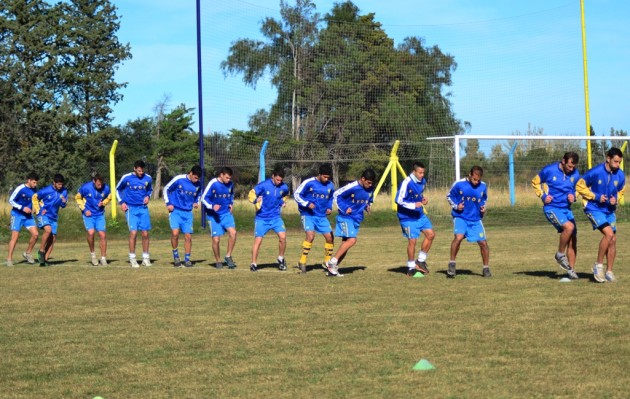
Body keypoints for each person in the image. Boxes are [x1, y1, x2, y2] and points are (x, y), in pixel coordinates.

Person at [576, 147, 625, 283]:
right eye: (615, 162)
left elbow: (621, 190)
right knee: (608, 234)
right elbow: (579, 185)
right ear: (608, 159)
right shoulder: (595, 172)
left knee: (613, 239)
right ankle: (598, 266)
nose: (617, 165)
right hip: (593, 208)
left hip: (609, 210)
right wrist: (595, 196)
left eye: (619, 162)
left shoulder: (620, 175)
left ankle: (609, 271)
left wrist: (616, 198)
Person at [531, 152, 580, 279]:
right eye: (569, 166)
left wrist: (574, 196)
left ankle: (571, 270)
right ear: (563, 161)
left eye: (573, 167)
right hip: (552, 208)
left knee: (573, 239)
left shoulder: (575, 174)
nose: (571, 169)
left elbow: (578, 189)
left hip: (566, 209)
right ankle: (560, 254)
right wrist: (543, 196)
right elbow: (535, 182)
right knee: (569, 227)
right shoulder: (549, 170)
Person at [325, 169, 376, 277]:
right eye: (368, 182)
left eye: (372, 183)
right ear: (363, 179)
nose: (370, 185)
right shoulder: (352, 187)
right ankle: (332, 262)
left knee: (345, 245)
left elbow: (368, 199)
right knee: (352, 240)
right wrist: (344, 208)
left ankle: (332, 269)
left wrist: (367, 206)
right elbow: (336, 195)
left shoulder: (371, 189)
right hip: (346, 217)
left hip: (356, 219)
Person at [446, 166, 491, 278]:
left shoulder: (483, 186)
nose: (476, 182)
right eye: (474, 179)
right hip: (460, 216)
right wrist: (456, 206)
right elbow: (449, 196)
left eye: (478, 180)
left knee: (483, 243)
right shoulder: (459, 184)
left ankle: (486, 268)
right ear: (470, 175)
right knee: (458, 237)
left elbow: (484, 198)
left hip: (475, 219)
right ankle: (452, 264)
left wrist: (483, 207)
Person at [396, 162, 436, 277]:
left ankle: (421, 261)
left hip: (419, 215)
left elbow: (418, 195)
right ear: (414, 172)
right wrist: (414, 205)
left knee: (431, 235)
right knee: (412, 241)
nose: (422, 175)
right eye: (420, 172)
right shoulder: (406, 183)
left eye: (423, 172)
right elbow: (399, 200)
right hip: (407, 217)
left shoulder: (422, 181)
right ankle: (410, 267)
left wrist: (422, 200)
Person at [293, 164, 335, 273]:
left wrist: (329, 207)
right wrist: (307, 204)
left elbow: (331, 197)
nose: (326, 179)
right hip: (308, 214)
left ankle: (327, 262)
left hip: (321, 216)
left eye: (328, 177)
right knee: (310, 236)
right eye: (324, 177)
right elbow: (297, 194)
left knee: (330, 238)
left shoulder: (330, 185)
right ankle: (302, 261)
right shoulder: (309, 182)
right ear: (319, 175)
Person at [248, 167, 290, 272]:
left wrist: (282, 202)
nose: (279, 182)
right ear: (273, 176)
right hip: (261, 218)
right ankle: (253, 263)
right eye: (277, 180)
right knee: (258, 240)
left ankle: (280, 259)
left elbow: (285, 195)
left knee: (283, 237)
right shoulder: (263, 185)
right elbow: (251, 193)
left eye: (281, 180)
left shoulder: (284, 187)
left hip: (276, 217)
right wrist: (255, 200)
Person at [116, 160, 153, 268]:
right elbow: (117, 189)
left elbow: (149, 190)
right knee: (133, 233)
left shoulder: (148, 178)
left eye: (142, 170)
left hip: (143, 208)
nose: (141, 172)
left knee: (145, 233)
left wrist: (148, 196)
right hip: (131, 208)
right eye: (139, 170)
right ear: (135, 169)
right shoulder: (126, 178)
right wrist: (122, 202)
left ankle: (145, 258)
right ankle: (132, 258)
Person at [163, 165, 202, 268]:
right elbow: (166, 189)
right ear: (190, 173)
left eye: (198, 178)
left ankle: (187, 259)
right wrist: (168, 203)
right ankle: (176, 256)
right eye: (195, 177)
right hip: (176, 211)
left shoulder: (198, 184)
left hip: (188, 213)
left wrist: (196, 202)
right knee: (175, 233)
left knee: (188, 236)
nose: (196, 180)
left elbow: (198, 194)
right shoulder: (179, 179)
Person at [202, 167, 237, 269]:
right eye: (226, 177)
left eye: (230, 178)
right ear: (221, 175)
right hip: (213, 215)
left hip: (226, 213)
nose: (228, 180)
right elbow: (204, 198)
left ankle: (228, 256)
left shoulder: (230, 184)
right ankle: (218, 260)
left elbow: (231, 195)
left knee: (233, 233)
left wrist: (231, 204)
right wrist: (212, 206)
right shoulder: (213, 183)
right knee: (216, 240)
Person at [76, 174, 112, 266]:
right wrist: (84, 210)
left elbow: (109, 197)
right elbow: (77, 198)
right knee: (91, 233)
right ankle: (93, 255)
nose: (100, 186)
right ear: (94, 181)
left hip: (99, 214)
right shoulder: (86, 187)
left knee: (102, 235)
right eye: (98, 184)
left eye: (101, 184)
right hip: (89, 215)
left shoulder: (106, 188)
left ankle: (103, 258)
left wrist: (103, 203)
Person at [32, 174, 68, 267]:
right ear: (54, 183)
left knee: (53, 238)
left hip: (53, 217)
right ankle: (41, 250)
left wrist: (64, 202)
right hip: (43, 215)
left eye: (62, 184)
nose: (60, 186)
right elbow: (35, 197)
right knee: (48, 230)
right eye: (59, 184)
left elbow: (63, 206)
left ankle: (45, 260)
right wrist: (38, 209)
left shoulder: (64, 191)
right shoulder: (46, 190)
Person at [7, 172, 39, 266]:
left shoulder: (34, 189)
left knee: (36, 234)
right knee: (15, 237)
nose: (35, 184)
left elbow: (34, 201)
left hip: (28, 217)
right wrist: (22, 208)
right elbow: (11, 200)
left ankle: (27, 253)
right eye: (34, 182)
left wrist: (35, 209)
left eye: (36, 183)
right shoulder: (20, 188)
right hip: (17, 215)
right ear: (28, 180)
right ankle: (9, 259)